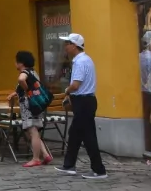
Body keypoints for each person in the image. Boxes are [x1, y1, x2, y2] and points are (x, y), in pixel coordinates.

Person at [57, 33, 107, 179]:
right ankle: (69, 165)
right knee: (75, 134)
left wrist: (67, 90)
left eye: (67, 44)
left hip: (83, 101)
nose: (65, 47)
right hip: (87, 101)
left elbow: (76, 85)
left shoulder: (79, 62)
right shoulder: (87, 59)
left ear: (74, 46)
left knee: (88, 136)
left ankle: (99, 169)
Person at [15, 50, 53, 168]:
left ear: (21, 63)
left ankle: (36, 158)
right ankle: (45, 155)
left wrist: (26, 90)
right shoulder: (33, 72)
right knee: (33, 131)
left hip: (28, 105)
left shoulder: (25, 72)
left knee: (32, 130)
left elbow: (21, 79)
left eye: (16, 61)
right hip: (36, 104)